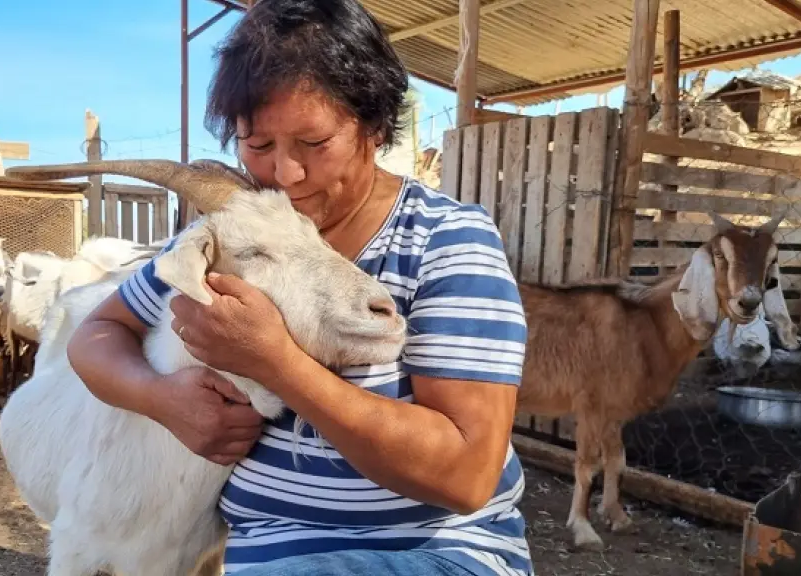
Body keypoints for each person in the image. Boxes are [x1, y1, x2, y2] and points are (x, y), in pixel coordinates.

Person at [65, 0, 532, 574]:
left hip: (432, 554)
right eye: (258, 146)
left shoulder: (447, 241)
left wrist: (275, 363)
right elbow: (97, 333)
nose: (285, 174)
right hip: (253, 553)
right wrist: (162, 400)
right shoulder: (234, 232)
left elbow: (466, 475)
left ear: (375, 125)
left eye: (313, 144)